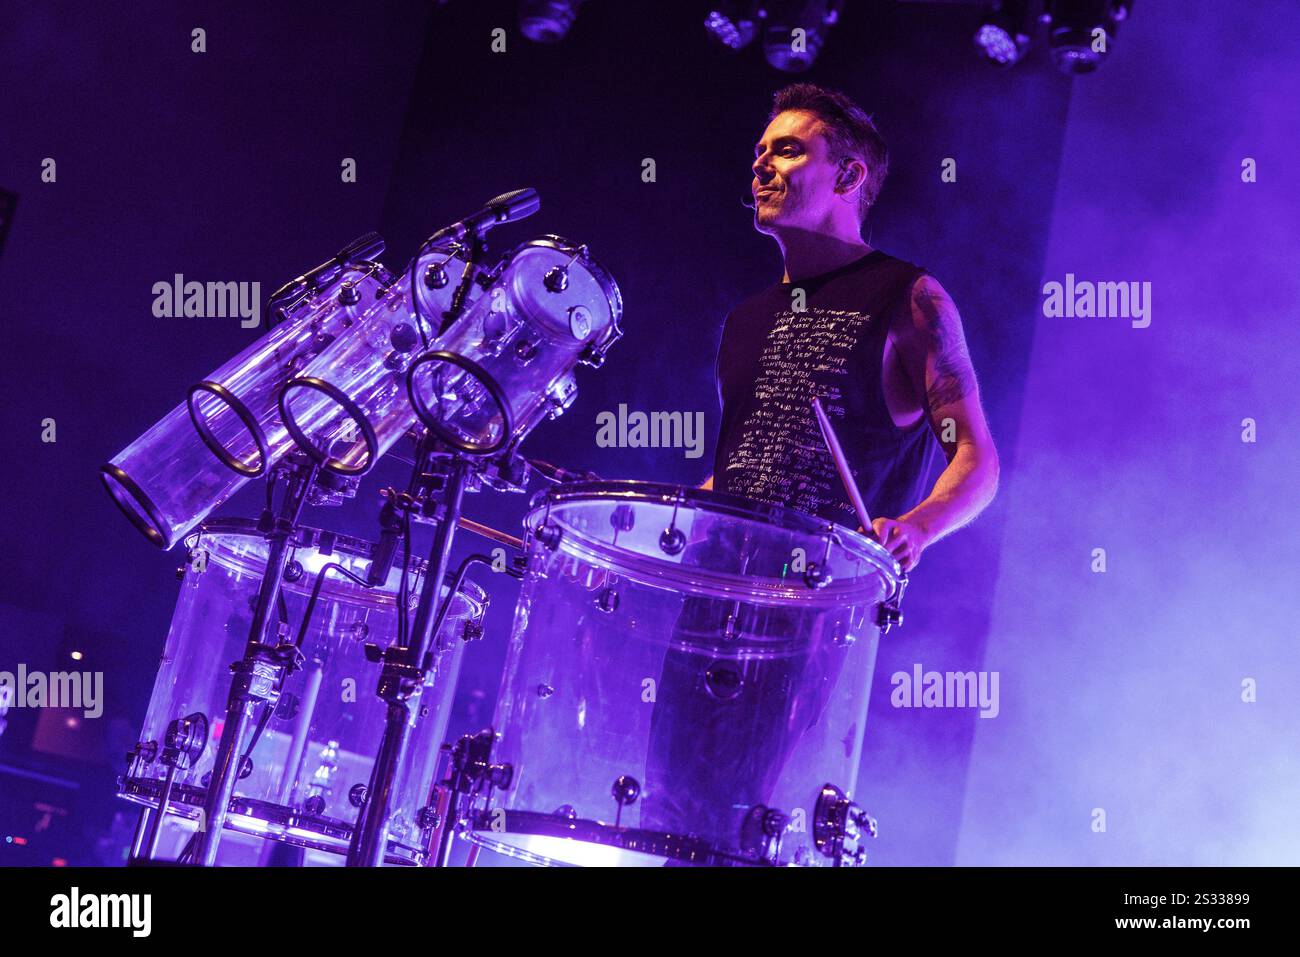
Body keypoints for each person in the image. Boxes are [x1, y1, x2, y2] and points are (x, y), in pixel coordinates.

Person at [641, 83, 1000, 855]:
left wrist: (916, 527)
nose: (761, 166)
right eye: (759, 152)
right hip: (711, 603)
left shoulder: (910, 298)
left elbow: (975, 458)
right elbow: (743, 474)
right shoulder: (745, 320)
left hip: (812, 616)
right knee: (666, 815)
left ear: (848, 176)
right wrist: (674, 514)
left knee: (751, 826)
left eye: (788, 149)